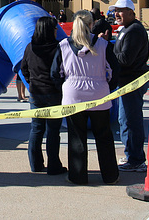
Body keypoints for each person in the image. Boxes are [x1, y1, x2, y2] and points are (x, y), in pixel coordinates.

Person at [51, 10, 119, 185]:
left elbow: (55, 73)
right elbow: (114, 71)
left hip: (73, 96)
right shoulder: (103, 45)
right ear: (91, 25)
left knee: (76, 138)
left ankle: (78, 176)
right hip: (99, 96)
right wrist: (105, 87)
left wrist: (66, 88)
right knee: (104, 137)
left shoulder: (64, 45)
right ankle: (110, 176)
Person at [20, 16, 66, 175]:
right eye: (54, 29)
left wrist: (31, 81)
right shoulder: (58, 47)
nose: (56, 31)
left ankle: (35, 164)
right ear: (49, 30)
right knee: (53, 131)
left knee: (36, 129)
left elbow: (23, 68)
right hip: (54, 93)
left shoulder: (30, 47)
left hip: (35, 93)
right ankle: (54, 165)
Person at [112, 0, 149, 172]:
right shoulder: (125, 29)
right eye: (115, 10)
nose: (116, 14)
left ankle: (136, 160)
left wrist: (108, 52)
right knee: (124, 120)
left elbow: (126, 59)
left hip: (132, 82)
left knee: (130, 120)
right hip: (126, 82)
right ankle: (132, 155)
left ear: (130, 12)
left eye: (120, 11)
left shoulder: (134, 30)